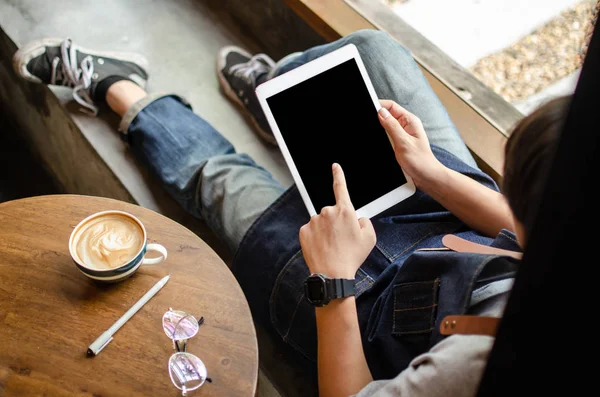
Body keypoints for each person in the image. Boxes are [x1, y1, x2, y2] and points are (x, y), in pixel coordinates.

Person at [13, 31, 568, 397]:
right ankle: (276, 98)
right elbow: (511, 225)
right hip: (455, 233)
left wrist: (332, 282)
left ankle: (118, 86)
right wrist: (434, 174)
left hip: (368, 310)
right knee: (376, 53)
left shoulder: (476, 370)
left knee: (219, 182)